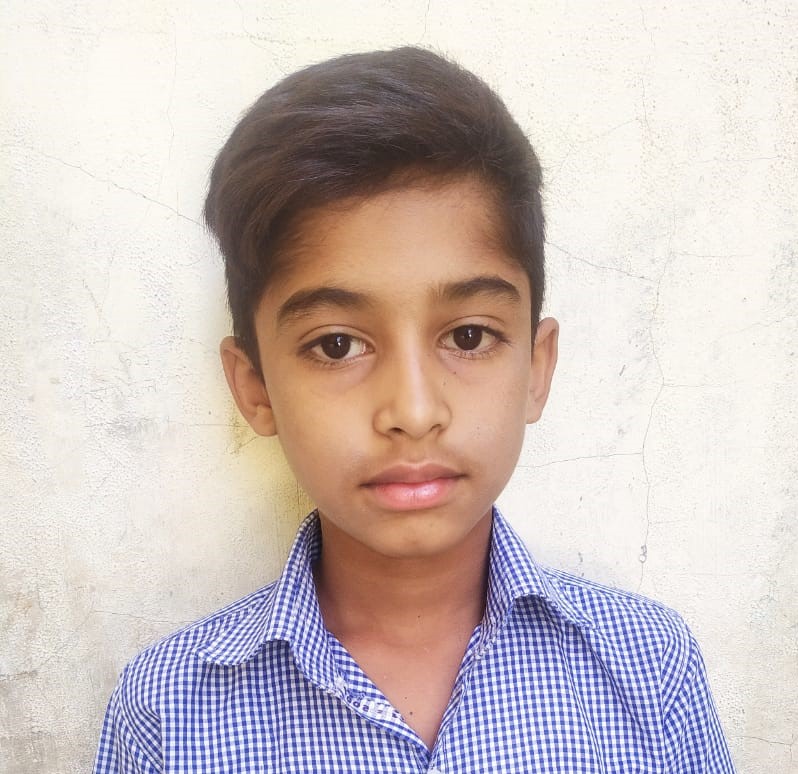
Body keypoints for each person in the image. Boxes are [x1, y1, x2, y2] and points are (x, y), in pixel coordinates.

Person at [93, 46, 735, 773]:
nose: (414, 410)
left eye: (469, 337)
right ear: (256, 388)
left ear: (536, 368)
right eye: (337, 345)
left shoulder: (648, 669)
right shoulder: (170, 711)